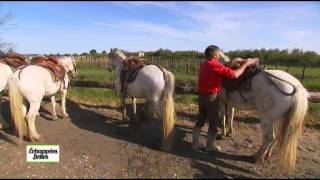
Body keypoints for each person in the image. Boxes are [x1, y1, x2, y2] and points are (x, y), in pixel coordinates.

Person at [192, 45, 257, 152]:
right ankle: (210, 146)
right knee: (213, 122)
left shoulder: (204, 64)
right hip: (211, 98)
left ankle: (195, 144)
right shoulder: (215, 65)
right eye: (218, 54)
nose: (219, 56)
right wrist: (246, 64)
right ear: (214, 55)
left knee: (200, 120)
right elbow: (234, 75)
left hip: (202, 97)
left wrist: (236, 62)